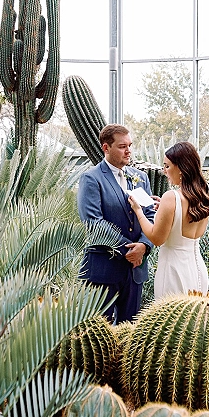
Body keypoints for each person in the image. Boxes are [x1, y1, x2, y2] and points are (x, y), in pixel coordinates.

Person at [77, 124, 156, 323]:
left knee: (130, 332)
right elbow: (93, 223)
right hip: (103, 270)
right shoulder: (91, 178)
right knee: (99, 336)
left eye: (130, 145)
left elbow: (150, 215)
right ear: (106, 147)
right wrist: (129, 251)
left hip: (135, 271)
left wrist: (145, 246)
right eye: (122, 146)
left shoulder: (141, 178)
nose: (128, 150)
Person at [128, 141, 209, 300]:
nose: (164, 171)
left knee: (170, 322)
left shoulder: (171, 197)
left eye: (167, 166)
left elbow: (156, 238)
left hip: (174, 271)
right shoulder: (203, 197)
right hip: (198, 271)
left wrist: (138, 211)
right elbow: (185, 220)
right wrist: (165, 209)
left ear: (180, 168)